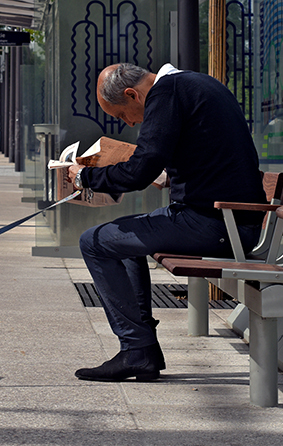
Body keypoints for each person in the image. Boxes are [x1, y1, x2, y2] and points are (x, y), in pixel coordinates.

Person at [67, 62, 266, 382]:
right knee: (123, 240)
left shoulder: (166, 93)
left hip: (216, 225)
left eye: (122, 114)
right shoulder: (196, 83)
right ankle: (141, 346)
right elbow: (201, 154)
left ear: (132, 94)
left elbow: (139, 171)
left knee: (93, 242)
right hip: (226, 218)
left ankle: (136, 348)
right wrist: (165, 174)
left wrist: (86, 177)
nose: (130, 122)